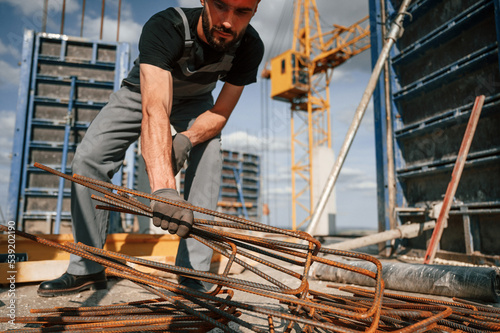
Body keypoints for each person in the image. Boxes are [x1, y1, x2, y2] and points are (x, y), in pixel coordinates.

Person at [37, 0, 263, 296]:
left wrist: (187, 138)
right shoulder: (166, 26)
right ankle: (87, 268)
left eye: (242, 12)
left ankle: (193, 274)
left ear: (255, 10)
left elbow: (220, 112)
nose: (229, 22)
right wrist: (164, 189)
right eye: (221, 6)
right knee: (90, 159)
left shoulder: (249, 46)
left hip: (196, 104)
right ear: (204, 0)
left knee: (209, 156)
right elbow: (155, 108)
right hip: (142, 94)